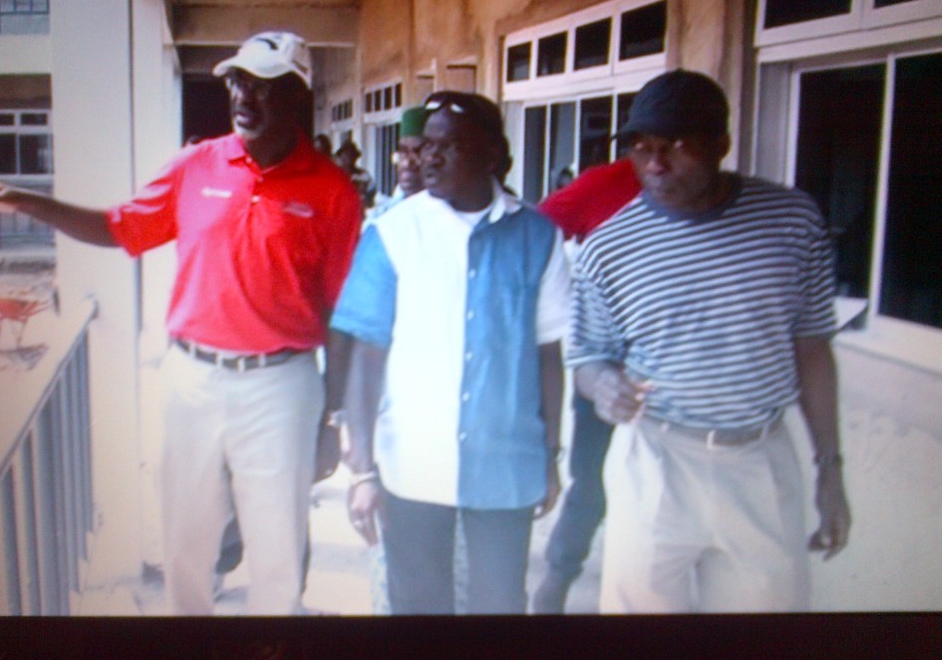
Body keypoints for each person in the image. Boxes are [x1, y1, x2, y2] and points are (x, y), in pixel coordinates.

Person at [0, 31, 364, 615]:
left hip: (282, 384)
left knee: (277, 553)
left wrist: (331, 418)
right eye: (238, 81)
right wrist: (18, 198)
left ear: (296, 96)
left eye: (263, 85)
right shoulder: (198, 164)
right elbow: (120, 227)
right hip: (191, 379)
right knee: (186, 546)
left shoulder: (332, 192)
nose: (244, 96)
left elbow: (343, 315)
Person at [568, 69, 851, 613]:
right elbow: (586, 355)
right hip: (655, 461)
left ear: (721, 145)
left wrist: (830, 470)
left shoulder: (792, 220)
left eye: (678, 147)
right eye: (642, 148)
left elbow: (814, 349)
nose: (656, 165)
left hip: (759, 461)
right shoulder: (609, 247)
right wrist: (603, 383)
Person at [331, 91, 570, 614]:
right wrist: (363, 470)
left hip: (505, 461)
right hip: (411, 462)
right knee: (418, 604)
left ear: (491, 155)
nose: (429, 158)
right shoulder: (394, 233)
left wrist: (550, 456)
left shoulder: (537, 236)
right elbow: (368, 354)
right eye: (426, 147)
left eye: (449, 146)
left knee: (501, 605)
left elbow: (548, 354)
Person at [531, 157, 641, 613]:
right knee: (590, 477)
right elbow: (537, 228)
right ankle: (559, 574)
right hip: (603, 361)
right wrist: (567, 285)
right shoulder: (607, 183)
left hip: (675, 374)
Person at [366, 106, 428, 221]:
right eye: (403, 151)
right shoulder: (381, 217)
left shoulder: (448, 217)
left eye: (417, 152)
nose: (407, 162)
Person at [334, 140, 376, 209]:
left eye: (351, 155)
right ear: (341, 157)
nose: (349, 157)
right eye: (346, 154)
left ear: (356, 157)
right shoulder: (336, 176)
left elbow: (371, 199)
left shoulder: (364, 175)